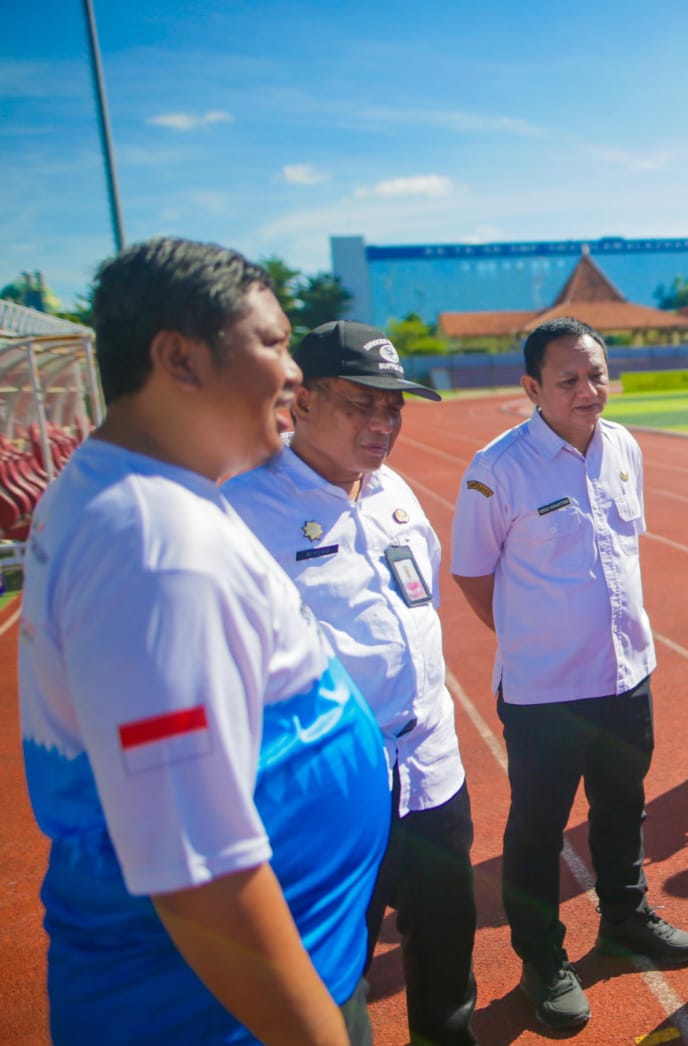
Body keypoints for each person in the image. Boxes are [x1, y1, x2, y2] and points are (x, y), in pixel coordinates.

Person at [17, 237, 390, 1044]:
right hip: (217, 1015)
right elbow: (200, 875)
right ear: (178, 358)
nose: (293, 370)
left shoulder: (138, 494)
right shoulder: (155, 546)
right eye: (272, 342)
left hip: (252, 986)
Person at [226, 320, 478, 1045]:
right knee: (333, 973)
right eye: (360, 404)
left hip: (431, 771)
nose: (383, 423)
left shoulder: (394, 489)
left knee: (446, 947)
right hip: (332, 790)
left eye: (393, 407)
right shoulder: (244, 510)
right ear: (299, 400)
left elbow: (419, 599)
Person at [451, 317, 688, 1031]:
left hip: (628, 675)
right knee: (538, 830)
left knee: (624, 808)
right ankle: (541, 960)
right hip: (546, 694)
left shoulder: (622, 445)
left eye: (597, 374)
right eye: (569, 380)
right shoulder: (497, 468)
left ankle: (625, 920)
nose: (589, 390)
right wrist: (533, 637)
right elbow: (473, 573)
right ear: (531, 387)